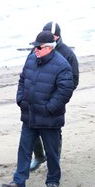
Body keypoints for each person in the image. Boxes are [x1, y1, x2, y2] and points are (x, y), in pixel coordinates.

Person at [2, 30, 74, 187]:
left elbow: (64, 92)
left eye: (39, 47)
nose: (35, 50)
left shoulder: (62, 65)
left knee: (52, 151)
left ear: (49, 48)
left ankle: (53, 180)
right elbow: (22, 80)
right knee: (24, 149)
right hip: (29, 115)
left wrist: (49, 109)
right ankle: (19, 181)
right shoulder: (31, 59)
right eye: (35, 47)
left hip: (49, 118)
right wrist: (21, 99)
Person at [29, 21, 79, 172]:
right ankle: (38, 156)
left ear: (57, 36)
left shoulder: (67, 54)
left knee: (55, 131)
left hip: (55, 100)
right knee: (32, 127)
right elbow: (28, 71)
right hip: (35, 98)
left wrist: (59, 99)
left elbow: (73, 80)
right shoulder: (36, 49)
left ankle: (54, 160)